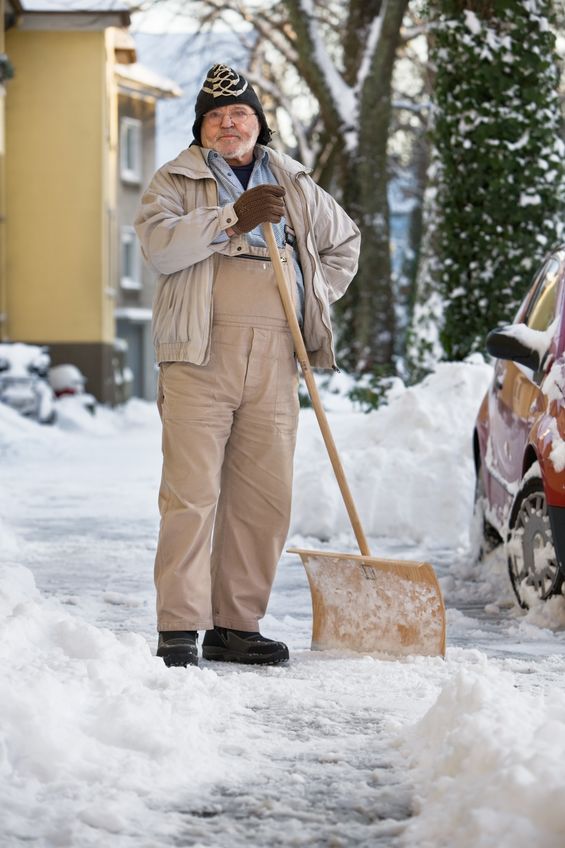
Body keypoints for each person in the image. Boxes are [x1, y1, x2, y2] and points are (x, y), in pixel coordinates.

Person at [135, 63, 360, 668]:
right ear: (202, 128)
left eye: (239, 114)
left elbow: (344, 244)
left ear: (258, 123)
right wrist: (234, 217)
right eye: (215, 116)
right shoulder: (174, 181)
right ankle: (180, 625)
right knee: (191, 493)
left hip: (276, 354)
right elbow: (159, 247)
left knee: (263, 497)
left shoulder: (294, 180)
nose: (228, 124)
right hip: (199, 352)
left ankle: (236, 624)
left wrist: (314, 291)